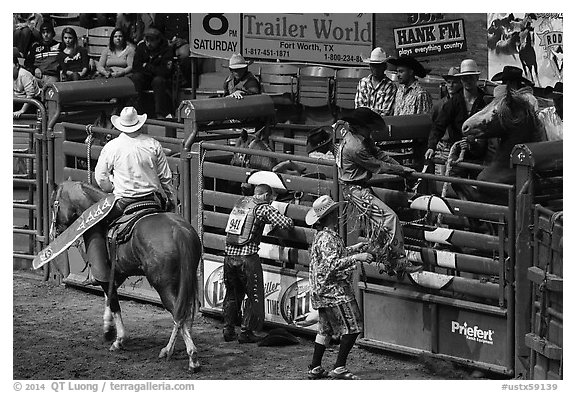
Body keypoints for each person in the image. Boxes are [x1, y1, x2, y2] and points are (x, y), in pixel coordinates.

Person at [87, 107, 175, 287]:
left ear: (120, 126)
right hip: (153, 199)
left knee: (94, 224)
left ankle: (100, 271)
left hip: (124, 201)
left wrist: (110, 188)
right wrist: (171, 198)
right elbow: (166, 177)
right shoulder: (153, 144)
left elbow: (100, 177)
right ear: (139, 123)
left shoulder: (112, 147)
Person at [335, 107, 421, 278]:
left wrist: (400, 167)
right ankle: (398, 261)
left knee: (382, 222)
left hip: (356, 187)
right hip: (355, 190)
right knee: (390, 218)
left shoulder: (357, 138)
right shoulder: (355, 147)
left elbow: (379, 155)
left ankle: (388, 259)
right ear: (360, 127)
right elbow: (378, 165)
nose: (371, 131)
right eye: (369, 128)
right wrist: (401, 170)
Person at [304, 195, 373, 380]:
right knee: (354, 326)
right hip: (334, 291)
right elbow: (332, 264)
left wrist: (354, 248)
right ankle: (339, 366)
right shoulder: (327, 237)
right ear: (330, 215)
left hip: (323, 290)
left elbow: (334, 256)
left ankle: (315, 367)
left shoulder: (324, 235)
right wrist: (357, 257)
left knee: (324, 329)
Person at [223, 183, 294, 343]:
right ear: (266, 195)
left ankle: (228, 328)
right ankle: (246, 331)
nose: (270, 200)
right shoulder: (263, 208)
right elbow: (286, 223)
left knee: (232, 294)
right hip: (247, 258)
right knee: (253, 294)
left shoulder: (241, 203)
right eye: (270, 197)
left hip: (229, 255)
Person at [424, 59, 488, 187]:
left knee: (480, 187)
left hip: (480, 154)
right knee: (456, 185)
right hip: (458, 153)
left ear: (476, 78)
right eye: (465, 78)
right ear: (461, 80)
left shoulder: (485, 101)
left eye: (470, 77)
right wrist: (431, 146)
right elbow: (439, 125)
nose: (467, 81)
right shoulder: (454, 103)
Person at [130, 27, 174, 119]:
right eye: (147, 40)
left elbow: (165, 71)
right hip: (145, 78)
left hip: (159, 79)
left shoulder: (166, 49)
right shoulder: (141, 47)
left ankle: (160, 113)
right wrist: (153, 69)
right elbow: (136, 67)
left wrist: (147, 66)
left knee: (158, 81)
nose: (148, 43)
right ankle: (137, 111)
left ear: (158, 40)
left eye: (151, 41)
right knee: (136, 77)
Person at [354, 47, 396, 117]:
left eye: (379, 66)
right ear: (370, 66)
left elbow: (386, 112)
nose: (376, 69)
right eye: (373, 65)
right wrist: (375, 111)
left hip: (381, 125)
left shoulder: (390, 86)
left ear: (384, 67)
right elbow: (359, 108)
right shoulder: (363, 83)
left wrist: (368, 111)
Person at [154, 13, 191, 87]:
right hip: (166, 43)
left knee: (184, 53)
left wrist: (185, 40)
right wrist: (165, 41)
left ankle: (185, 81)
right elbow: (157, 31)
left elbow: (196, 30)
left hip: (185, 42)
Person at [25, 21, 60, 86]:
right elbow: (27, 63)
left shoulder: (59, 45)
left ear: (52, 33)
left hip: (52, 77)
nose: (46, 35)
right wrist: (34, 69)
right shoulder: (35, 46)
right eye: (43, 33)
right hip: (37, 76)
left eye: (48, 32)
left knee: (50, 87)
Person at [13, 54, 41, 118]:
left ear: (17, 65)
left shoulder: (24, 75)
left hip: (32, 103)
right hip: (17, 100)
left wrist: (22, 111)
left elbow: (30, 95)